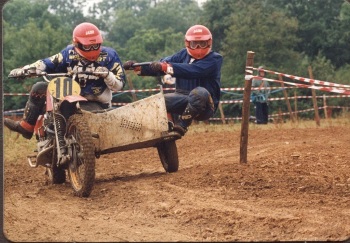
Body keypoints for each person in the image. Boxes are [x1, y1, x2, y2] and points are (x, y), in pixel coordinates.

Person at [4, 22, 126, 139]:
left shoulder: (110, 55)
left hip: (97, 103)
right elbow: (47, 62)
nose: (92, 49)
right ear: (77, 44)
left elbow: (119, 85)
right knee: (39, 88)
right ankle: (26, 127)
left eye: (95, 45)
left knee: (78, 120)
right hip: (68, 96)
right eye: (87, 46)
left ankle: (71, 139)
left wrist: (108, 75)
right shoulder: (68, 53)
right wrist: (25, 70)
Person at [123, 24, 223, 136]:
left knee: (199, 92)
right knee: (158, 101)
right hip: (182, 98)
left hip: (205, 104)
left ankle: (182, 125)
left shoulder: (215, 59)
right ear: (187, 43)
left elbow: (193, 70)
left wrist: (167, 67)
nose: (198, 47)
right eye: (194, 44)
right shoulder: (182, 54)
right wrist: (140, 67)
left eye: (202, 44)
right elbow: (162, 65)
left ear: (209, 43)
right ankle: (168, 128)